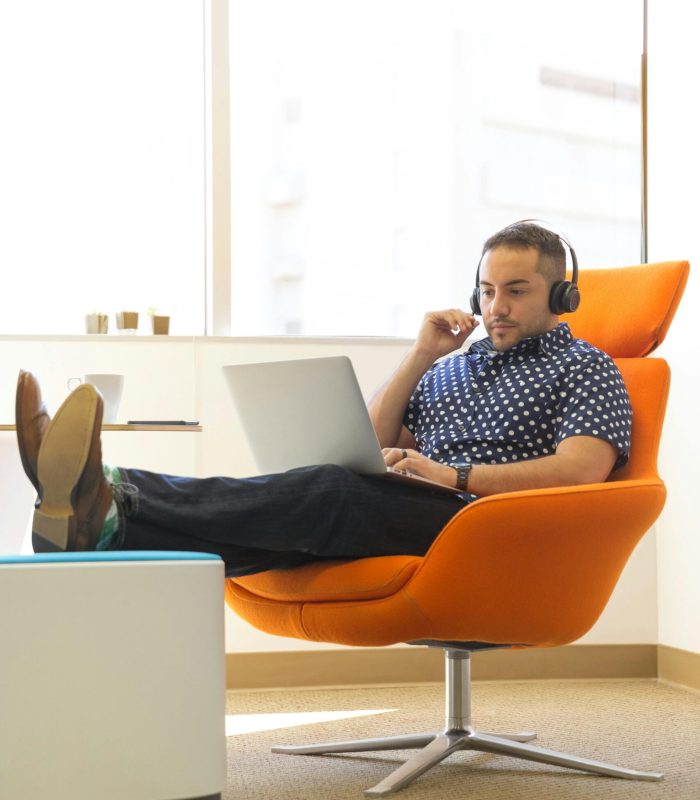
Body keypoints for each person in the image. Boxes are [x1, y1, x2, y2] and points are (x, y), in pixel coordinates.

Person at [16, 222, 631, 576]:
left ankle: (114, 489)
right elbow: (362, 440)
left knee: (329, 492)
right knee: (273, 531)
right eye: (487, 291)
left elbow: (584, 469)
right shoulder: (454, 364)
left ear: (561, 297)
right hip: (416, 507)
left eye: (516, 291)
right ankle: (100, 528)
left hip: (486, 526)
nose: (495, 308)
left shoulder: (585, 366)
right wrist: (421, 356)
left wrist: (453, 474)